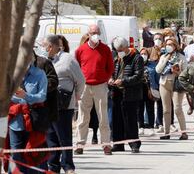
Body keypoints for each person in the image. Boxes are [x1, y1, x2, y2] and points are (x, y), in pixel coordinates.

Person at [40, 35, 85, 174]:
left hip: (64, 105)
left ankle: (68, 166)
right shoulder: (45, 60)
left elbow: (80, 80)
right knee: (51, 137)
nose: (42, 49)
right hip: (48, 105)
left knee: (64, 137)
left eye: (44, 46)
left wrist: (77, 96)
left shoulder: (68, 59)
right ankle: (53, 166)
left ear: (51, 47)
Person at [75, 25, 114, 155]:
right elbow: (76, 68)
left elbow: (110, 68)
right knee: (83, 117)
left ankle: (106, 144)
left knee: (103, 117)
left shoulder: (106, 49)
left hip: (100, 86)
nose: (95, 34)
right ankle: (80, 144)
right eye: (93, 32)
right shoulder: (80, 50)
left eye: (97, 32)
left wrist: (104, 79)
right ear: (88, 34)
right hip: (84, 86)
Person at [8, 54, 48, 173]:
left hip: (34, 121)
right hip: (15, 122)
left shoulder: (39, 74)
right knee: (15, 155)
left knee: (33, 154)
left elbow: (42, 97)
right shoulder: (11, 75)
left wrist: (26, 96)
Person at [109, 36, 144, 153]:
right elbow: (112, 71)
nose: (118, 53)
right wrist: (110, 79)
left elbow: (138, 76)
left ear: (125, 47)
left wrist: (124, 81)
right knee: (116, 119)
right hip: (116, 93)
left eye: (120, 50)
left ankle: (134, 143)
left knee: (130, 120)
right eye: (117, 50)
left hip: (130, 94)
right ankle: (118, 143)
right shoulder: (115, 58)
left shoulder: (137, 58)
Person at [156, 37, 188, 140]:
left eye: (171, 44)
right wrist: (165, 60)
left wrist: (177, 72)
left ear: (175, 46)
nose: (168, 46)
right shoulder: (163, 56)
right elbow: (158, 70)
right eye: (167, 44)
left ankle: (184, 133)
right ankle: (166, 132)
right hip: (164, 84)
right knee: (166, 110)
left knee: (177, 108)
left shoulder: (181, 57)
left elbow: (186, 72)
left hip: (176, 85)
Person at [137, 48, 156, 136]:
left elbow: (156, 75)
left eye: (145, 54)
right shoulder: (137, 64)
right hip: (139, 89)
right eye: (142, 54)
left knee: (150, 108)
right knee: (140, 108)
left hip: (149, 88)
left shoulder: (152, 64)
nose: (143, 55)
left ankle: (151, 127)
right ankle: (141, 126)